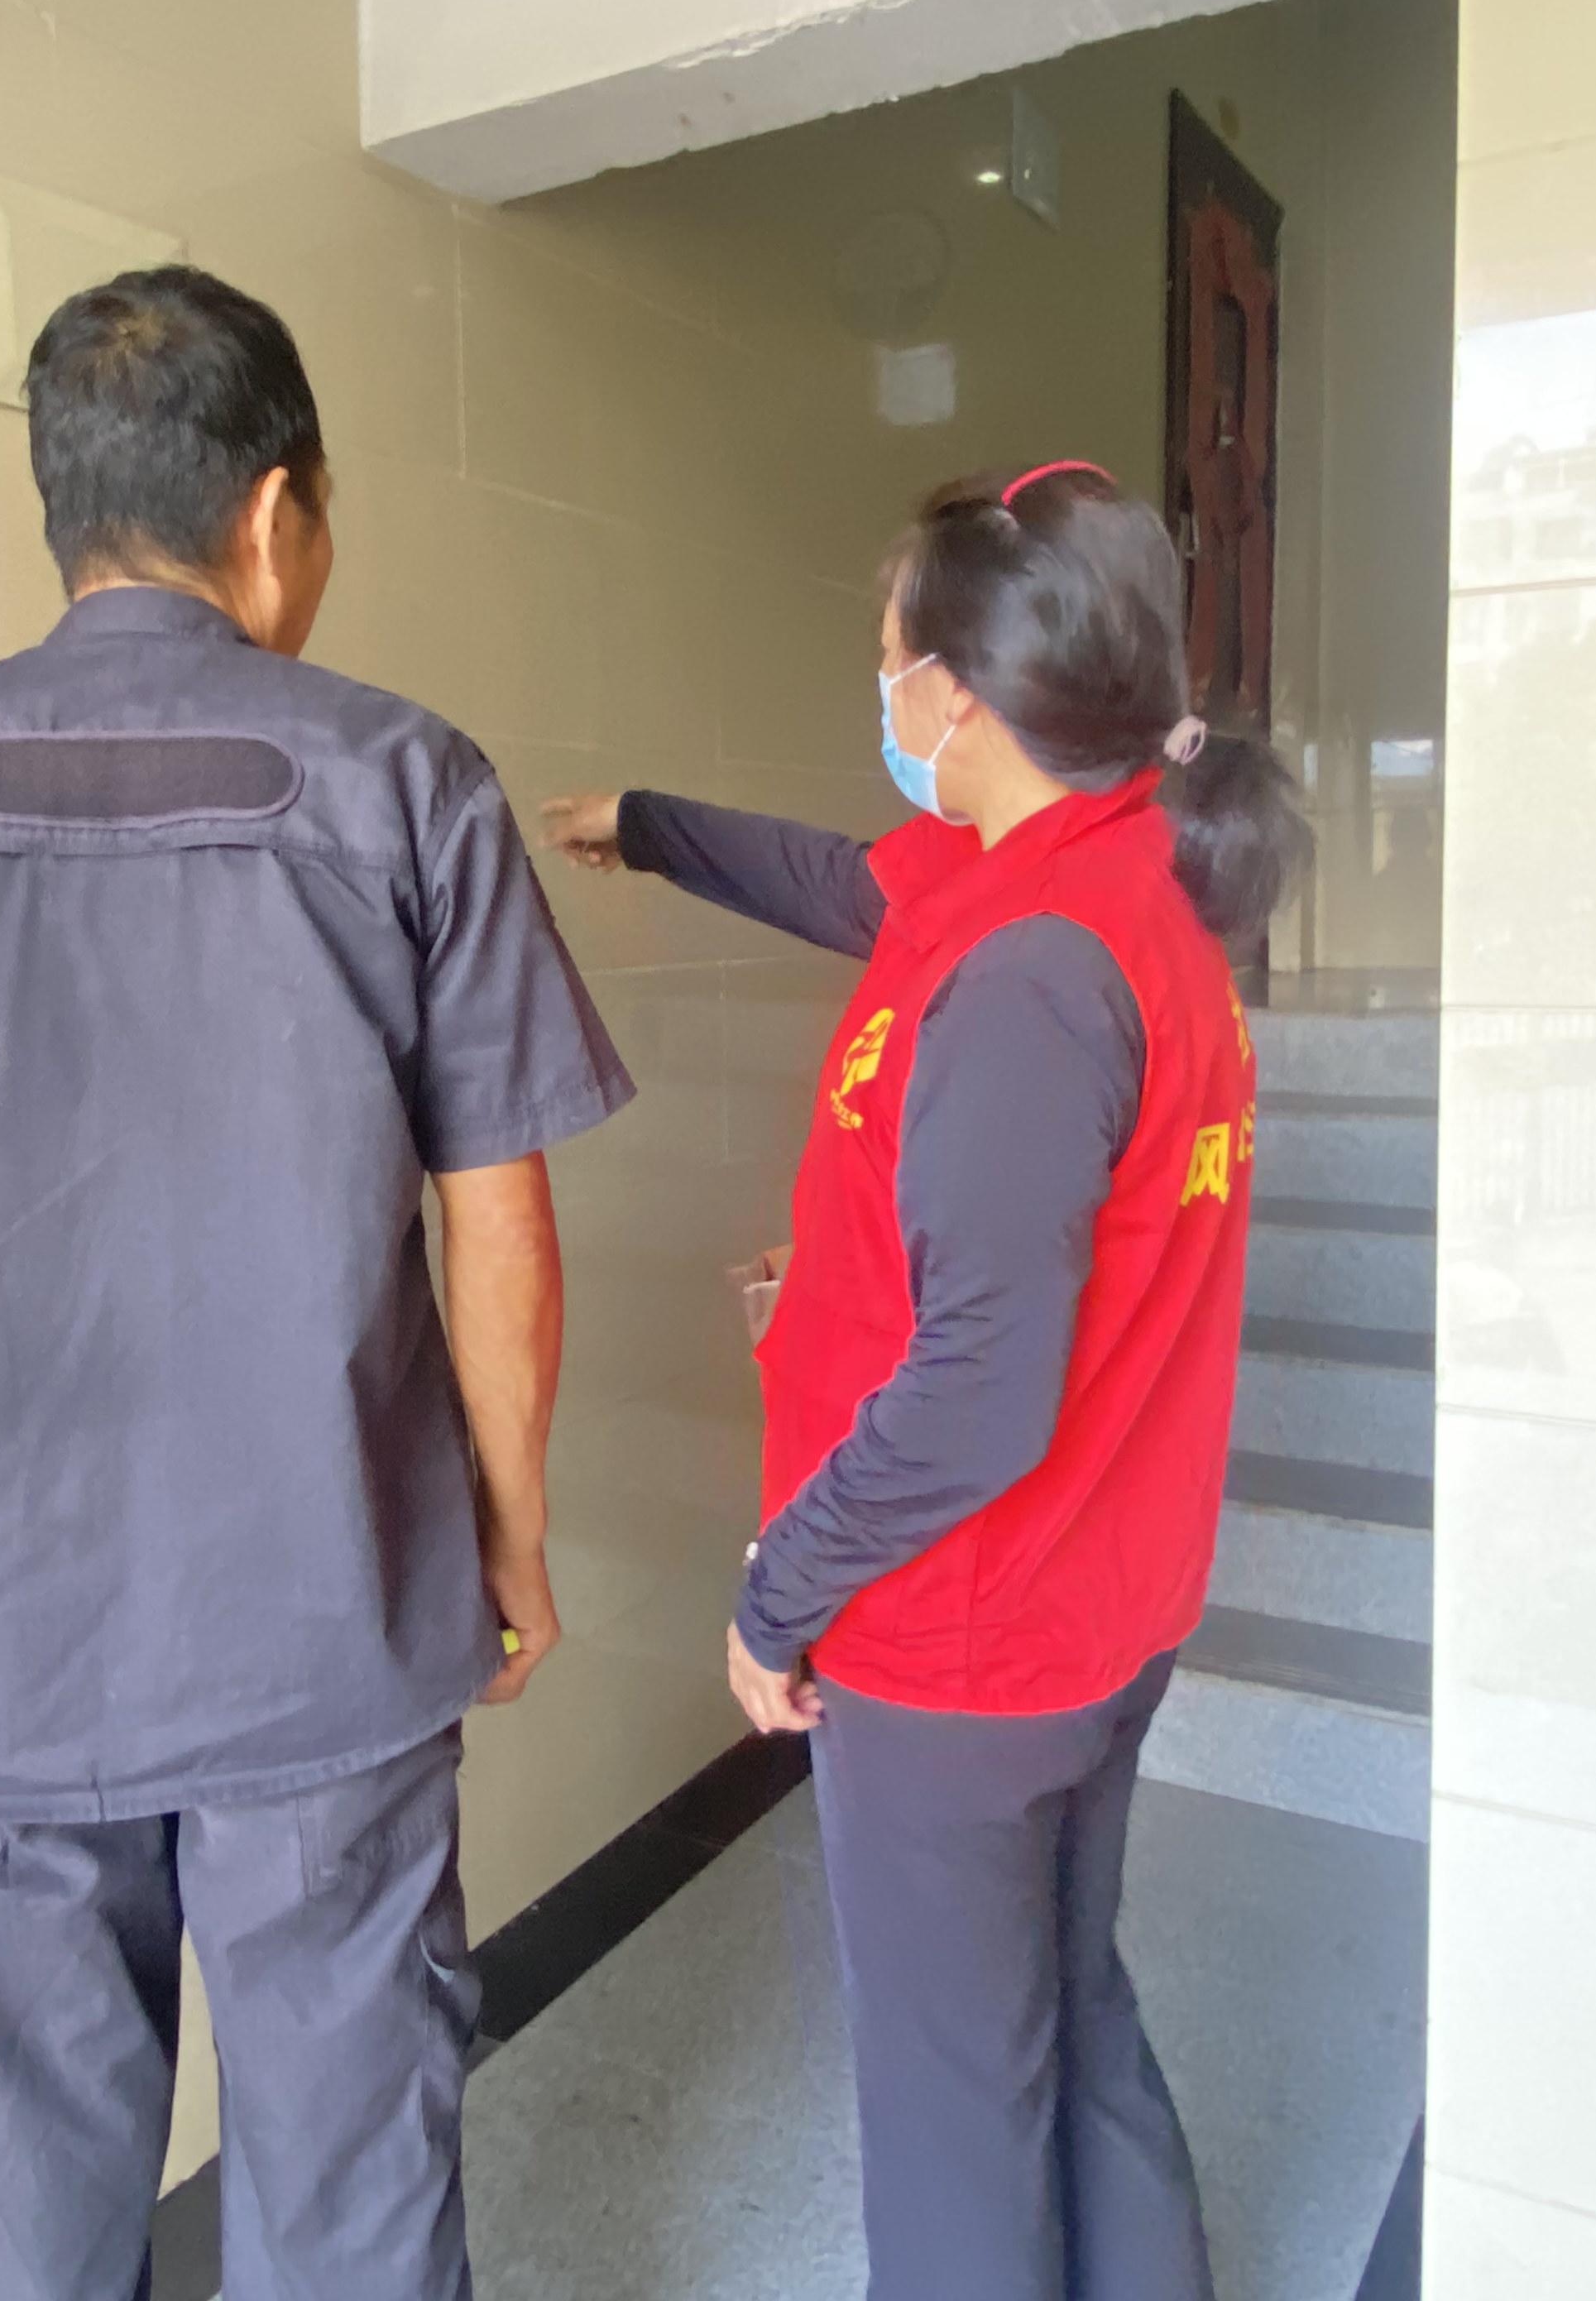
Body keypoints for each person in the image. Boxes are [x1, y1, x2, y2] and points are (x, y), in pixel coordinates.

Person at [0, 265, 633, 2301]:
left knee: (38, 2211)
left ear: (66, 508)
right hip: (325, 1627)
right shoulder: (407, 780)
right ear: (277, 513)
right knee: (351, 2198)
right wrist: (507, 1535)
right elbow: (499, 1216)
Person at [543, 461, 1309, 2301]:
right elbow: (836, 884)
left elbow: (981, 1387)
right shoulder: (1093, 876)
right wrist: (644, 825)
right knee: (1070, 2014)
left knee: (959, 2104)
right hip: (1095, 1605)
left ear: (957, 694)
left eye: (888, 658)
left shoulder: (1038, 972)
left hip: (964, 1638)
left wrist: (778, 1593)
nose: (879, 691)